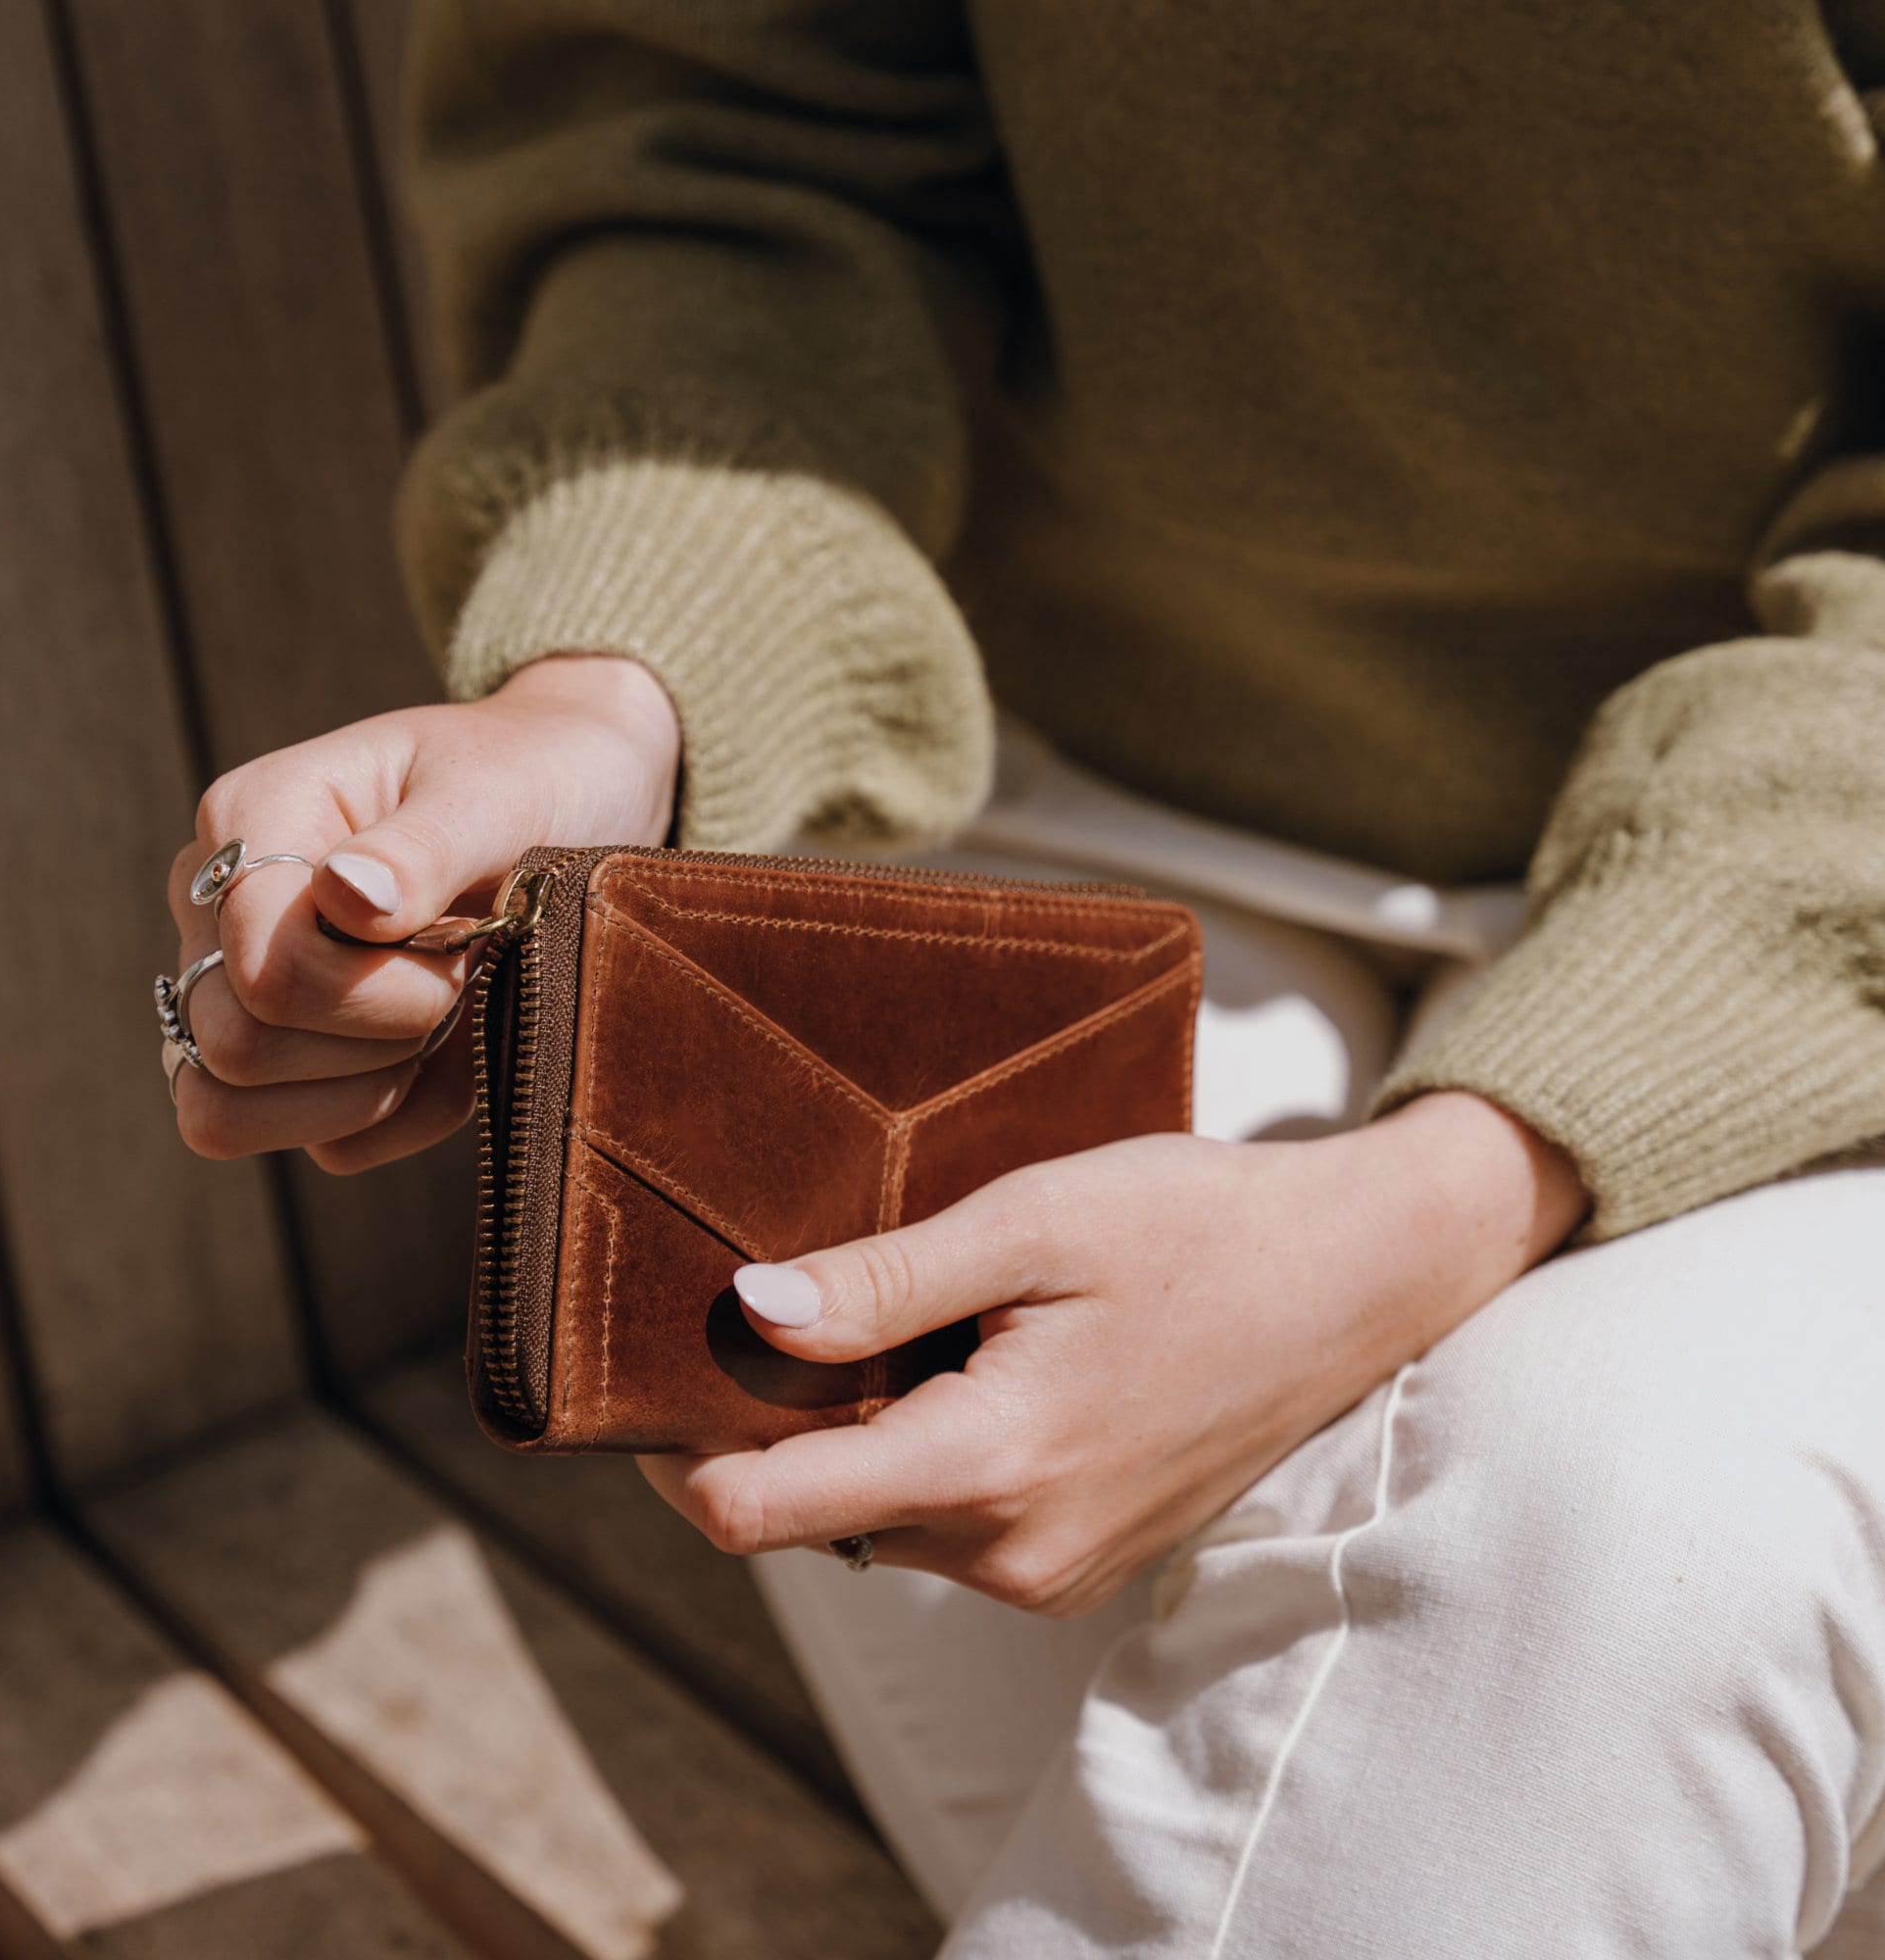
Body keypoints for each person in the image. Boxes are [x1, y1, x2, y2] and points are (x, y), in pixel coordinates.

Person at [159, 3, 1885, 1951]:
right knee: (1434, 1774)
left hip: (1840, 879)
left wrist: (1428, 1204)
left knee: (1603, 1545)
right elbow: (731, 139)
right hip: (1075, 810)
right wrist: (613, 685)